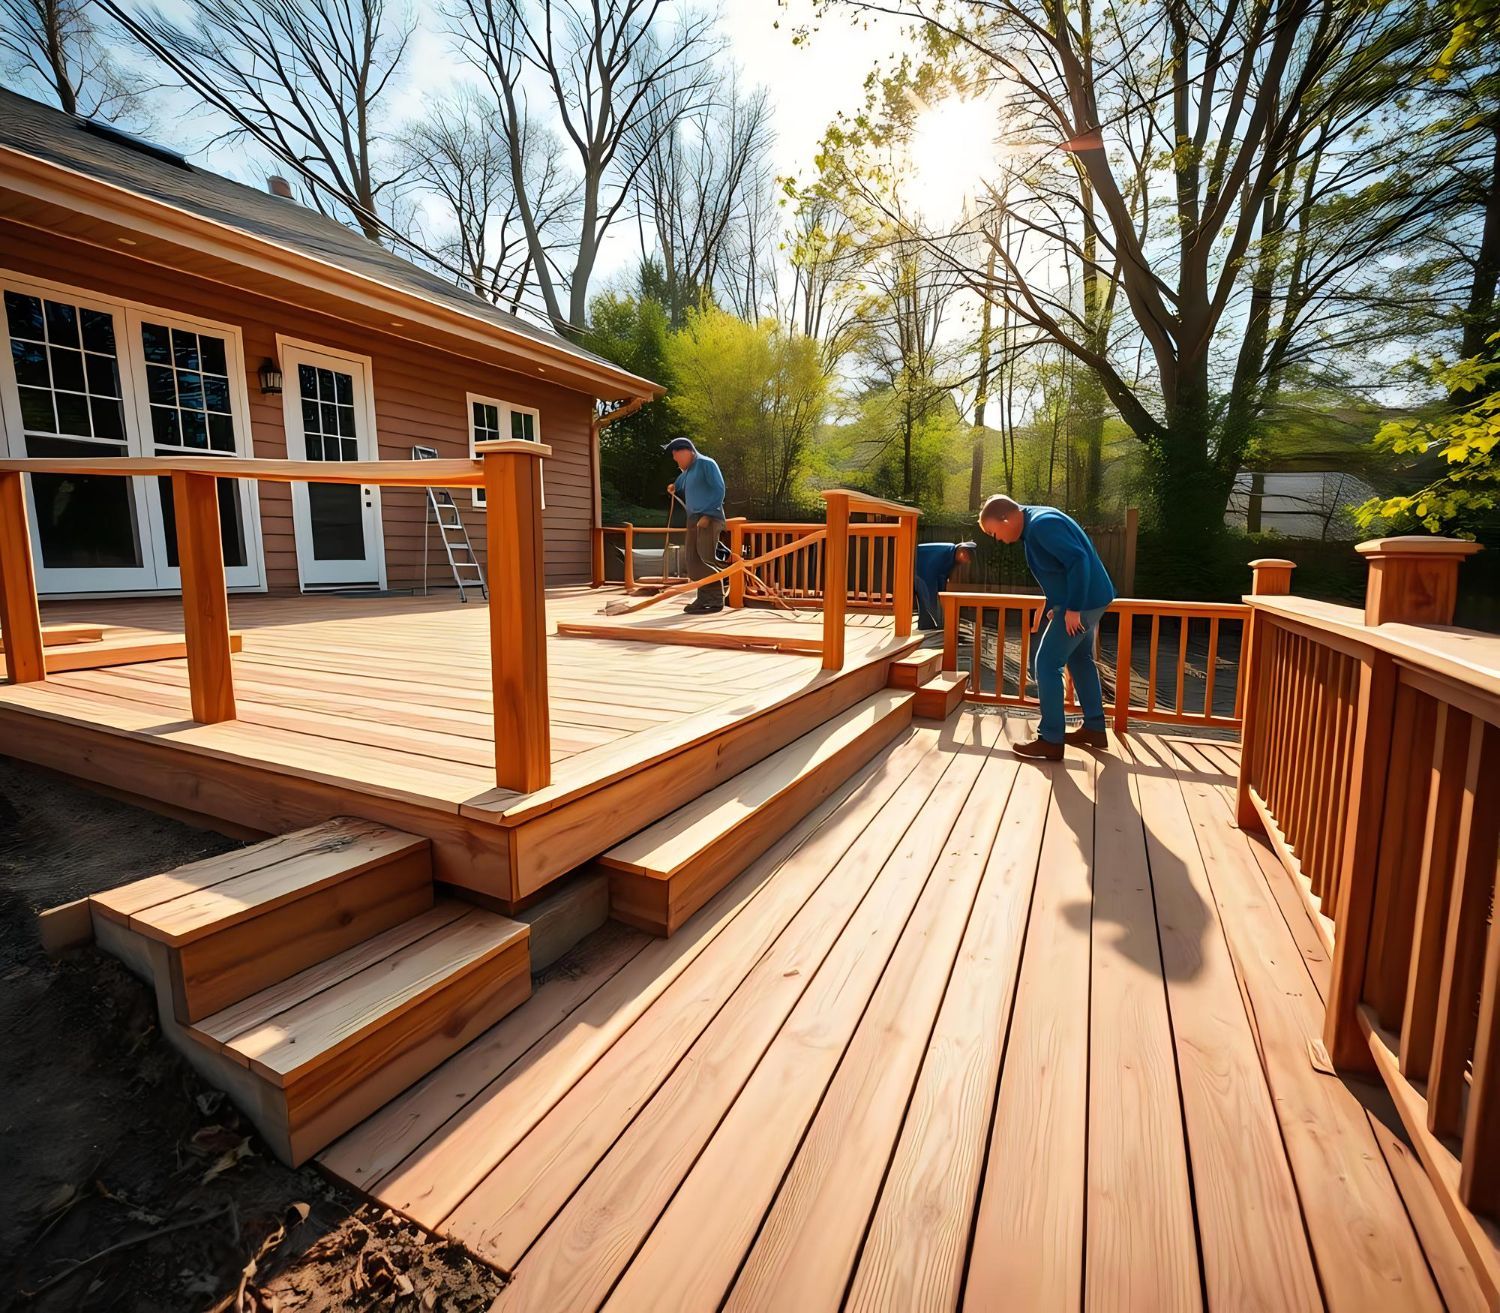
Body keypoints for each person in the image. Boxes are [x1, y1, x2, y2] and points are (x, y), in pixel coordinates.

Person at [978, 494, 1115, 760]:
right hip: (1090, 600)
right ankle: (1095, 728)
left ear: (1006, 519)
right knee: (1079, 659)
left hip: (1083, 604)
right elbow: (1058, 569)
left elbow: (1078, 561)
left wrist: (1073, 607)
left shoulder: (1042, 525)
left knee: (1046, 663)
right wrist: (1056, 603)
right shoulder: (1035, 523)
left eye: (994, 532)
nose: (997, 539)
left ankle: (1051, 739)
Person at [664, 437, 727, 613]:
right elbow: (681, 481)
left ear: (687, 451)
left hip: (708, 517)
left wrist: (707, 514)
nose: (675, 460)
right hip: (693, 518)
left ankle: (715, 600)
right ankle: (703, 597)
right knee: (692, 559)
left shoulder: (707, 464)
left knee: (705, 557)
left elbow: (719, 489)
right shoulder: (689, 471)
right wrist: (674, 486)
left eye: (676, 456)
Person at [914, 540, 976, 630]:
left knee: (932, 600)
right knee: (928, 599)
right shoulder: (947, 552)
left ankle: (930, 625)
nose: (967, 561)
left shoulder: (951, 556)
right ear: (962, 552)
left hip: (926, 571)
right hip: (920, 569)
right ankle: (932, 625)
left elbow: (942, 576)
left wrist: (942, 594)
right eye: (967, 557)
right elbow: (929, 574)